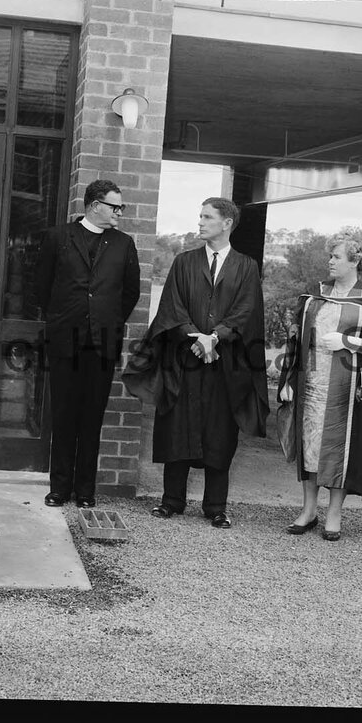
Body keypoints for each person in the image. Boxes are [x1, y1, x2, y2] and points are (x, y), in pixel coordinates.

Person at [123, 197, 268, 529]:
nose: (200, 222)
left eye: (207, 217)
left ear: (227, 223)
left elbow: (246, 311)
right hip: (184, 361)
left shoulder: (246, 267)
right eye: (200, 216)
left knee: (220, 430)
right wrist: (196, 337)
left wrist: (215, 337)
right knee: (179, 425)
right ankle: (171, 500)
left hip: (224, 363)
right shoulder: (184, 262)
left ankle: (216, 506)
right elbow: (172, 308)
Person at [277, 233, 362, 541]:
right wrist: (288, 380)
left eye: (336, 256)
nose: (330, 261)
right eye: (330, 256)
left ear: (354, 261)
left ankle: (334, 513)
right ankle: (308, 510)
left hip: (347, 389)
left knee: (340, 451)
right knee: (309, 446)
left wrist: (351, 341)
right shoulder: (313, 301)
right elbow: (296, 343)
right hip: (311, 385)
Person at [35, 179, 140, 508]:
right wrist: (65, 317)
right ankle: (59, 488)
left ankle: (85, 492)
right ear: (95, 205)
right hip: (65, 341)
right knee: (64, 415)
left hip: (102, 344)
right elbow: (41, 287)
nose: (119, 213)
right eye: (115, 207)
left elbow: (130, 293)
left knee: (92, 418)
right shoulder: (57, 237)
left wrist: (105, 321)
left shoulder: (124, 244)